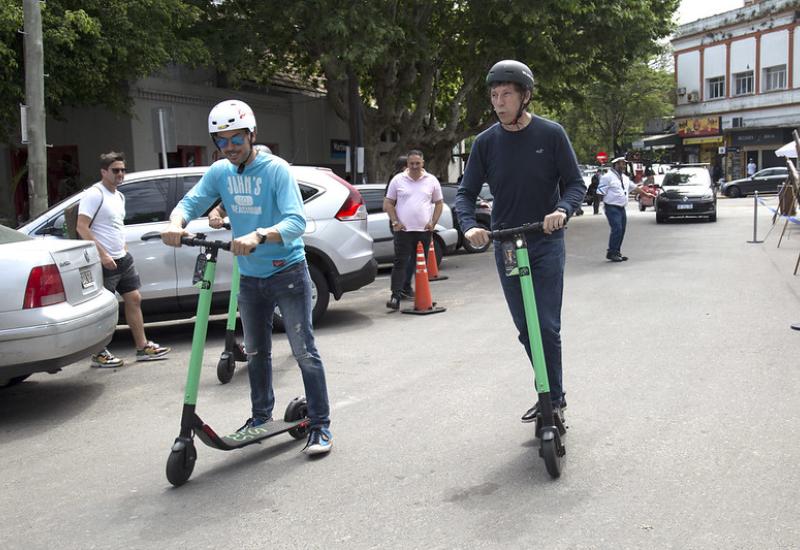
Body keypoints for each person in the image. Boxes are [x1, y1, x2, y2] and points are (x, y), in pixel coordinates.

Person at [161, 99, 332, 455]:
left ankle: (320, 426)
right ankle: (259, 417)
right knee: (256, 353)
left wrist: (258, 235)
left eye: (236, 139)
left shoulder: (276, 170)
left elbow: (296, 222)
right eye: (221, 141)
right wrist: (175, 223)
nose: (229, 148)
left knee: (304, 352)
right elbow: (191, 202)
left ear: (252, 134)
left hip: (287, 272)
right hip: (251, 280)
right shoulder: (221, 172)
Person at [454, 59, 585, 422]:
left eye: (506, 94)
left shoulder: (551, 134)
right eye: (494, 95)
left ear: (524, 96)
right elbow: (465, 194)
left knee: (545, 324)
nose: (499, 102)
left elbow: (575, 183)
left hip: (545, 240)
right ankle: (547, 390)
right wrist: (468, 226)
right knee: (526, 328)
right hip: (507, 244)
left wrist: (562, 209)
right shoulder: (485, 143)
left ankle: (553, 398)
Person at [77, 152, 171, 367]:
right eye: (115, 170)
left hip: (122, 257)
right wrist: (102, 254)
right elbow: (81, 227)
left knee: (134, 298)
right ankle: (99, 353)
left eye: (122, 170)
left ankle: (142, 347)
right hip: (105, 260)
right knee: (104, 308)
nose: (120, 174)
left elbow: (115, 226)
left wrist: (123, 247)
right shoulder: (94, 194)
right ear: (104, 172)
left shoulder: (119, 196)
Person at [383, 149, 444, 310]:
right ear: (407, 164)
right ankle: (395, 297)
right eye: (412, 164)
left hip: (424, 231)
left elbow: (439, 203)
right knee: (400, 263)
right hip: (403, 231)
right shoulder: (398, 180)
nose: (415, 166)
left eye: (418, 163)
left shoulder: (431, 180)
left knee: (421, 266)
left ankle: (424, 296)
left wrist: (433, 222)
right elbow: (388, 203)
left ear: (423, 163)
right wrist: (395, 221)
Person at [598, 156, 655, 262]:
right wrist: (604, 204)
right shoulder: (607, 177)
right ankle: (612, 252)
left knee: (622, 230)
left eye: (624, 164)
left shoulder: (624, 177)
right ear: (615, 164)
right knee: (617, 229)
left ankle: (617, 252)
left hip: (621, 207)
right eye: (620, 164)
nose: (623, 166)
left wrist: (646, 194)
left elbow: (634, 187)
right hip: (611, 207)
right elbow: (600, 192)